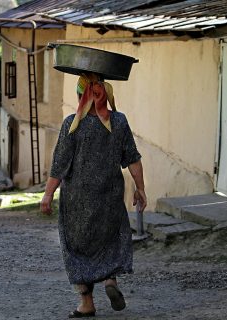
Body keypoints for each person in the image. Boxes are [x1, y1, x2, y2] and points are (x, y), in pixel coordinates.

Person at [40, 73, 147, 318]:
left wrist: (47, 195)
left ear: (81, 96)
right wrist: (141, 189)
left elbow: (59, 166)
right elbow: (133, 158)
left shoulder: (72, 124)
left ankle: (86, 303)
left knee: (77, 249)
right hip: (110, 196)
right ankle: (110, 279)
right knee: (111, 239)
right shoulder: (119, 122)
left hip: (77, 200)